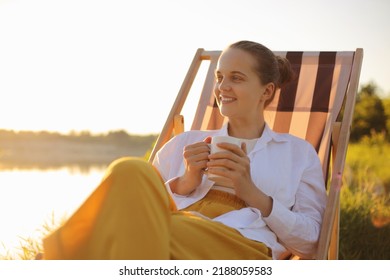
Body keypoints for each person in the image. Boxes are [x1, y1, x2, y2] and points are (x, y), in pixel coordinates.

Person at [42, 40, 327, 260]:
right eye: (219, 76)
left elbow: (312, 243)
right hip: (176, 224)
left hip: (242, 243)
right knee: (129, 168)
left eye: (236, 78)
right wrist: (186, 182)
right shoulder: (186, 141)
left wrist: (252, 194)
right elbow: (141, 200)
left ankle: (55, 258)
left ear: (266, 91)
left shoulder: (298, 153)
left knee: (142, 228)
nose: (222, 87)